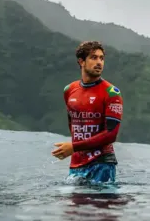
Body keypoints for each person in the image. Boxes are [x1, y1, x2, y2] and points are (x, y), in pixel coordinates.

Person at [51, 41, 123, 184]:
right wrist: (76, 149)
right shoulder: (69, 90)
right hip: (77, 163)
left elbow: (111, 134)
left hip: (102, 164)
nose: (99, 62)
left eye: (101, 58)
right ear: (81, 61)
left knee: (97, 205)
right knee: (72, 206)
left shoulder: (111, 93)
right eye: (93, 57)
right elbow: (73, 123)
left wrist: (74, 147)